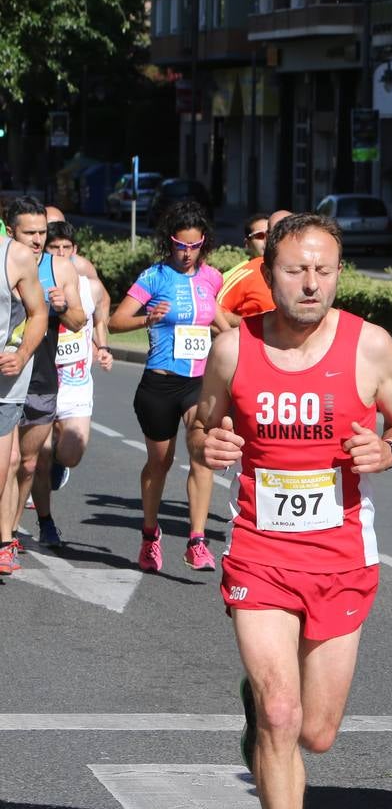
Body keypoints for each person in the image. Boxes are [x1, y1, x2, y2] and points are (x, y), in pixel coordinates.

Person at [191, 212, 392, 809]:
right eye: (296, 270)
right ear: (270, 275)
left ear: (339, 275)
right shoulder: (235, 350)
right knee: (283, 712)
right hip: (260, 554)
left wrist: (391, 447)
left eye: (324, 270)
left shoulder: (370, 347)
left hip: (343, 559)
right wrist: (205, 443)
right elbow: (201, 424)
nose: (312, 284)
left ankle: (259, 714)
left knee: (316, 732)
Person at [109, 201, 223, 572]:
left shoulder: (212, 278)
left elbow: (220, 322)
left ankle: (196, 541)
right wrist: (147, 317)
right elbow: (115, 321)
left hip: (198, 384)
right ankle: (149, 534)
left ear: (203, 242)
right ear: (169, 242)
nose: (187, 253)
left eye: (194, 246)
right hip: (160, 384)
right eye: (180, 245)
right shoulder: (154, 277)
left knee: (202, 453)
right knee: (160, 463)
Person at [0, 198, 86, 560]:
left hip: (42, 374)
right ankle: (4, 538)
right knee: (12, 459)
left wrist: (63, 306)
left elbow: (80, 322)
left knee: (30, 464)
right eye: (29, 232)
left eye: (42, 232)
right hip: (10, 379)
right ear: (11, 231)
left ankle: (14, 527)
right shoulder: (8, 258)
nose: (38, 239)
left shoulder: (59, 267)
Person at [29, 221, 113, 545]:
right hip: (43, 380)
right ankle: (46, 522)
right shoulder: (32, 283)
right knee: (39, 454)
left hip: (76, 382)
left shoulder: (90, 286)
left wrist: (102, 348)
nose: (61, 253)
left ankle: (57, 467)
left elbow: (99, 318)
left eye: (67, 248)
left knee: (72, 452)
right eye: (55, 248)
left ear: (75, 252)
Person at [0, 215, 49, 575]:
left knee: (3, 468)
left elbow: (38, 313)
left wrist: (20, 355)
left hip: (4, 385)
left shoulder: (15, 256)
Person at [215, 210, 293, 332]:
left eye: (290, 233)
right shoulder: (246, 272)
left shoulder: (311, 270)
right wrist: (254, 327)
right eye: (259, 236)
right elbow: (213, 312)